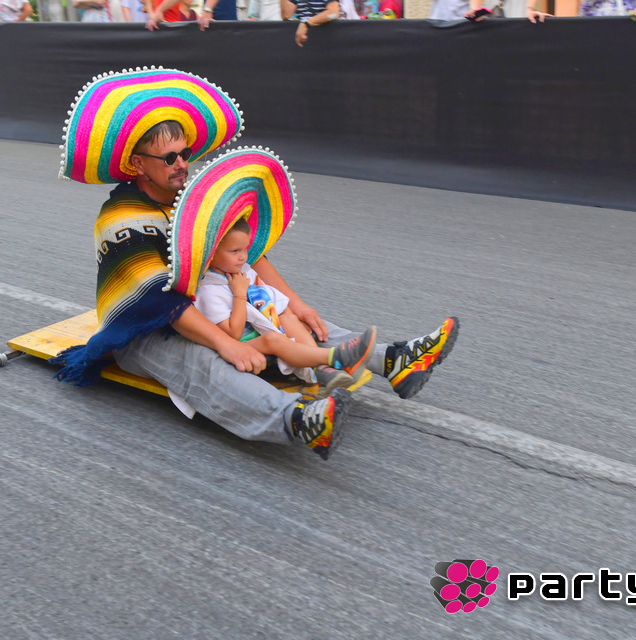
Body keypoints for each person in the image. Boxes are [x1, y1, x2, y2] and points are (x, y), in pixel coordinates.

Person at [54, 69, 459, 460]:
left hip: (206, 304)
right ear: (139, 164)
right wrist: (225, 342)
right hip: (142, 329)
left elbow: (243, 254)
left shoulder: (192, 200)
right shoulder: (121, 217)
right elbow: (154, 299)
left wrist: (293, 303)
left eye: (186, 153)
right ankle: (297, 421)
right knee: (203, 362)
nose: (182, 163)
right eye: (169, 157)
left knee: (282, 315)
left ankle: (393, 360)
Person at [195, 217, 377, 396]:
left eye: (245, 249)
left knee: (288, 317)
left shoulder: (244, 272)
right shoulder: (209, 291)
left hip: (262, 330)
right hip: (240, 347)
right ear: (211, 252)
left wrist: (293, 322)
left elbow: (272, 300)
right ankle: (336, 357)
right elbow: (233, 334)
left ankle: (322, 369)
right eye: (234, 251)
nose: (242, 256)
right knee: (272, 339)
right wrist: (239, 295)